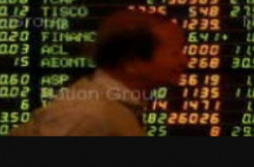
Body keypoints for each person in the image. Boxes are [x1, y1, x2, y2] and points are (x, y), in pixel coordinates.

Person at [10, 9, 188, 136]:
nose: (184, 61)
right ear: (131, 62)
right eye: (174, 53)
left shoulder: (109, 107)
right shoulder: (86, 114)